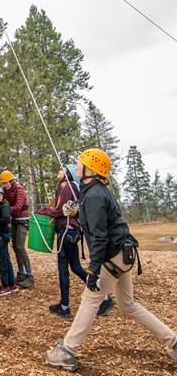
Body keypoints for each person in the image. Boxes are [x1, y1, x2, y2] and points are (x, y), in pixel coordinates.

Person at [45, 148, 177, 372]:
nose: (76, 167)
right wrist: (77, 211)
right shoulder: (94, 191)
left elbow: (99, 236)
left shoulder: (95, 194)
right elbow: (98, 218)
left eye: (80, 164)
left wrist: (94, 269)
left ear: (91, 169)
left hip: (113, 256)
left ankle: (68, 350)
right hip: (122, 253)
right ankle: (173, 341)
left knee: (90, 299)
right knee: (128, 305)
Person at [36, 164, 115, 319]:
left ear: (69, 174)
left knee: (63, 270)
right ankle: (104, 297)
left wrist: (43, 212)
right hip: (73, 232)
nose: (60, 171)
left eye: (63, 170)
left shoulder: (68, 188)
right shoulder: (70, 188)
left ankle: (64, 306)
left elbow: (60, 211)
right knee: (76, 267)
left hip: (66, 231)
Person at [0, 170, 34, 288]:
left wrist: (6, 210)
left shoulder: (19, 189)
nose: (4, 185)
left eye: (6, 183)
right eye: (3, 184)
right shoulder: (5, 190)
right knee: (15, 247)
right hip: (14, 220)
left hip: (22, 220)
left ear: (11, 181)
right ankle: (21, 274)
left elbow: (19, 206)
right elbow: (1, 200)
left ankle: (30, 275)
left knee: (20, 247)